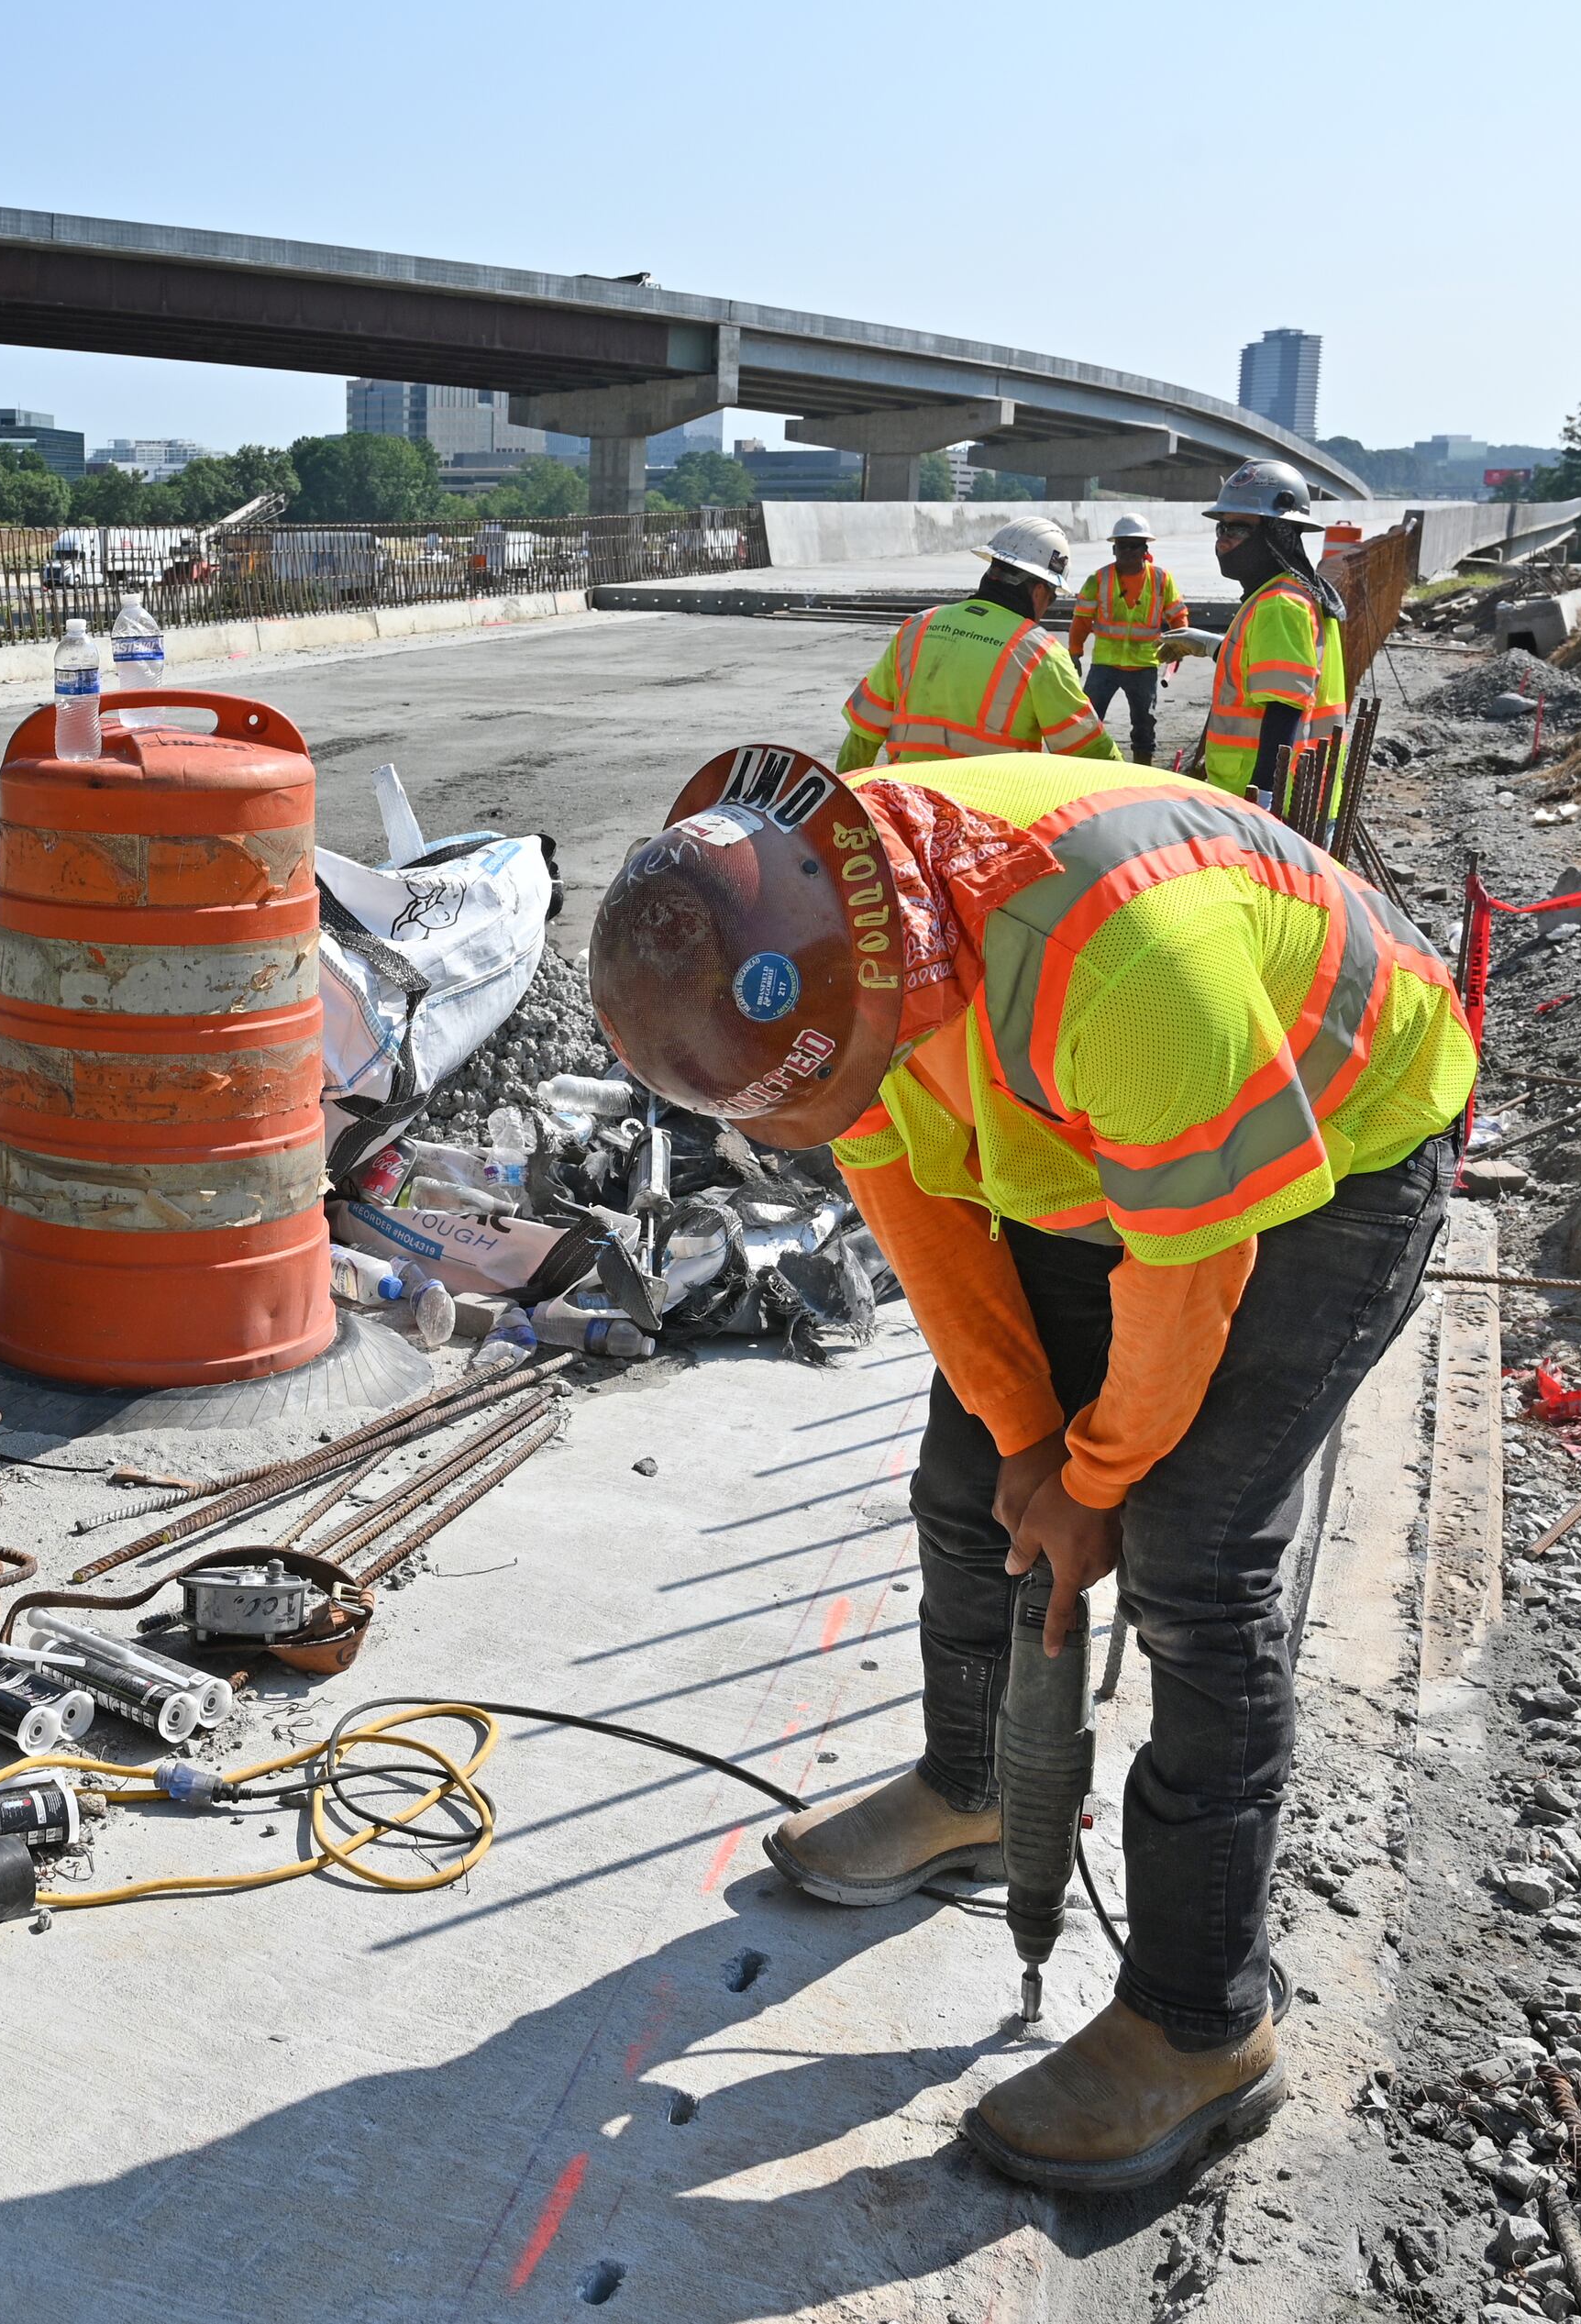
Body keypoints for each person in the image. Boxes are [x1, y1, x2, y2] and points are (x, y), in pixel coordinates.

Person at [585, 738, 1476, 2196]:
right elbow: (917, 1208)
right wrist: (1024, 1441)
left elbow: (1193, 1267)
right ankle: (989, 1788)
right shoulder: (832, 932)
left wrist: (1101, 1473)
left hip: (1335, 1136)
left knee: (1196, 1557)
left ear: (892, 982)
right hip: (1092, 1127)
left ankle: (1203, 2024)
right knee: (969, 1484)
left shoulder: (1121, 968)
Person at [839, 517, 1115, 769]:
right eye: (1052, 598)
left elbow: (863, 733)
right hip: (989, 814)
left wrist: (842, 806)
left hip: (909, 807)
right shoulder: (1041, 652)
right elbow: (1088, 750)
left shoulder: (917, 628)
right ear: (1040, 591)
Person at [1197, 460, 1350, 822]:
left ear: (1276, 534)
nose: (1223, 539)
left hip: (1274, 802)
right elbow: (1263, 672)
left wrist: (1265, 794)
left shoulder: (1281, 604)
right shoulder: (1282, 594)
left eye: (1237, 528)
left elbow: (1284, 706)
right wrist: (1208, 645)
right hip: (1292, 795)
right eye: (1221, 527)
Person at [1065, 512, 1187, 764]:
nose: (1128, 551)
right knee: (1089, 722)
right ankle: (1085, 768)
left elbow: (1178, 616)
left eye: (1134, 546)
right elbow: (1081, 621)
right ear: (1114, 549)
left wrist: (1180, 647)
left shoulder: (1161, 579)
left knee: (1144, 726)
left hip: (1144, 665)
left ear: (1145, 549)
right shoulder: (1099, 579)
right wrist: (1075, 652)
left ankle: (1141, 772)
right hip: (1105, 665)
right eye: (1123, 546)